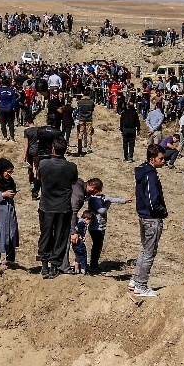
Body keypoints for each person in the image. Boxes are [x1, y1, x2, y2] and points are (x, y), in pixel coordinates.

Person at [37, 138, 78, 279]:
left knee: (45, 235)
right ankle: (54, 267)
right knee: (60, 238)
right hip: (63, 207)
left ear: (53, 149)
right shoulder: (71, 167)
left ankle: (44, 266)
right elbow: (73, 182)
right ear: (65, 150)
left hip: (46, 206)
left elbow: (39, 178)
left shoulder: (43, 163)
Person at [131, 144, 168, 297]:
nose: (164, 161)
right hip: (152, 218)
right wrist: (162, 211)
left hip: (143, 216)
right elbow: (153, 201)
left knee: (145, 249)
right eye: (161, 158)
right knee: (149, 252)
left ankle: (135, 280)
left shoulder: (143, 171)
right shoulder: (150, 175)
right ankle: (141, 285)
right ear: (152, 159)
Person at [86, 177, 127, 274]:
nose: (100, 192)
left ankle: (95, 265)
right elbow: (101, 210)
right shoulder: (93, 199)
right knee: (97, 247)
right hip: (95, 227)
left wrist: (124, 200)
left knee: (98, 246)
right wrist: (108, 203)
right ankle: (93, 266)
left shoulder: (101, 197)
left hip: (101, 226)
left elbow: (112, 198)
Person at [0, 158, 20, 268]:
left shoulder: (10, 181)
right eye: (7, 172)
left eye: (11, 172)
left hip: (10, 211)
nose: (9, 174)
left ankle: (10, 259)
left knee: (11, 234)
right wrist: (2, 195)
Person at [76, 91, 94, 155]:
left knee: (80, 134)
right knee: (89, 134)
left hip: (81, 119)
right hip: (89, 119)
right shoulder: (91, 102)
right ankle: (88, 148)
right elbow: (92, 109)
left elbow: (78, 110)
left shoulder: (79, 102)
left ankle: (79, 148)